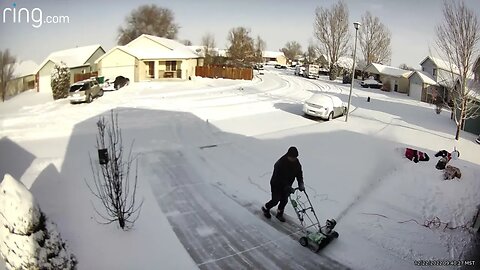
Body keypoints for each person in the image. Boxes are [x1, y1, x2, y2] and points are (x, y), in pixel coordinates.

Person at [262, 146, 305, 222]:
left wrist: (301, 183)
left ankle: (279, 213)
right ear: (288, 155)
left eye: (295, 157)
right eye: (292, 157)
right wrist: (286, 186)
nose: (294, 159)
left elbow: (299, 174)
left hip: (287, 185)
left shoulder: (296, 163)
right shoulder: (280, 163)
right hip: (276, 184)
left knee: (284, 200)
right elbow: (278, 177)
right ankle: (266, 208)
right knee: (276, 199)